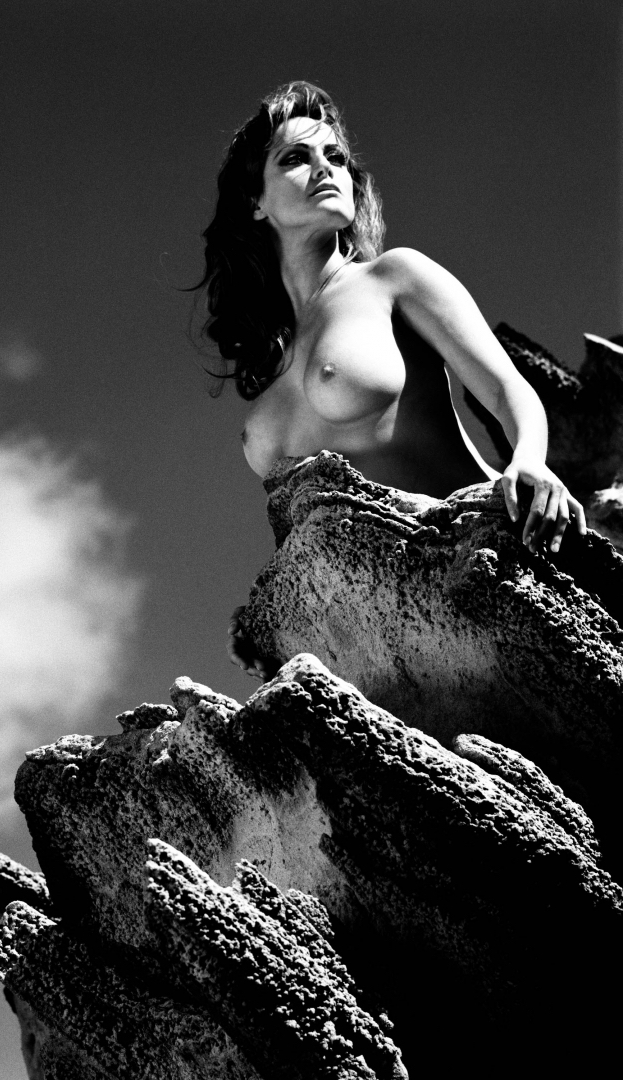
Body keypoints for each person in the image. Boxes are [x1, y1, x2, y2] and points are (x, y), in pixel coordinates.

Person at [196, 81, 586, 678]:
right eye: (296, 157)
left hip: (500, 565)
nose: (325, 168)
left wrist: (529, 459)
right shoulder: (270, 377)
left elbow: (507, 389)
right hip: (403, 635)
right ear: (255, 202)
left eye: (335, 156)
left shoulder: (393, 278)